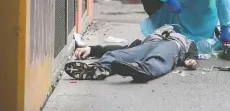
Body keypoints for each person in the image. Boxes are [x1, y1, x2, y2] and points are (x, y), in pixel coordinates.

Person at [64, 25, 200, 82]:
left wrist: (191, 60)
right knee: (116, 55)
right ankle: (100, 68)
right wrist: (92, 49)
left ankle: (141, 69)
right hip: (146, 46)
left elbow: (192, 52)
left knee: (159, 59)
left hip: (170, 47)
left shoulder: (184, 41)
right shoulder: (148, 38)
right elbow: (119, 48)